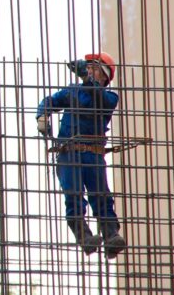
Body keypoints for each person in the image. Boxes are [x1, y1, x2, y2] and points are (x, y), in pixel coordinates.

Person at [36, 52, 127, 259]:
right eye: (88, 68)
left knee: (101, 196)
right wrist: (42, 114)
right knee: (74, 196)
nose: (89, 71)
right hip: (70, 154)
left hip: (93, 155)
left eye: (94, 68)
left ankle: (111, 235)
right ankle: (84, 237)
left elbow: (99, 97)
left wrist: (86, 79)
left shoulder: (109, 97)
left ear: (104, 76)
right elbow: (50, 100)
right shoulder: (73, 92)